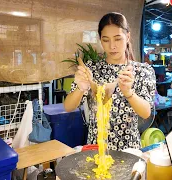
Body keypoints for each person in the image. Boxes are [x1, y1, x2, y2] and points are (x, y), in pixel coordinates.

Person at [64, 12, 156, 151]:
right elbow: (68, 107)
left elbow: (146, 113)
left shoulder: (142, 70)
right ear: (100, 40)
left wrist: (129, 93)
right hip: (96, 148)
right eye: (106, 40)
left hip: (128, 149)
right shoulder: (91, 69)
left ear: (128, 37)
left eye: (118, 39)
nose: (112, 46)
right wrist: (80, 88)